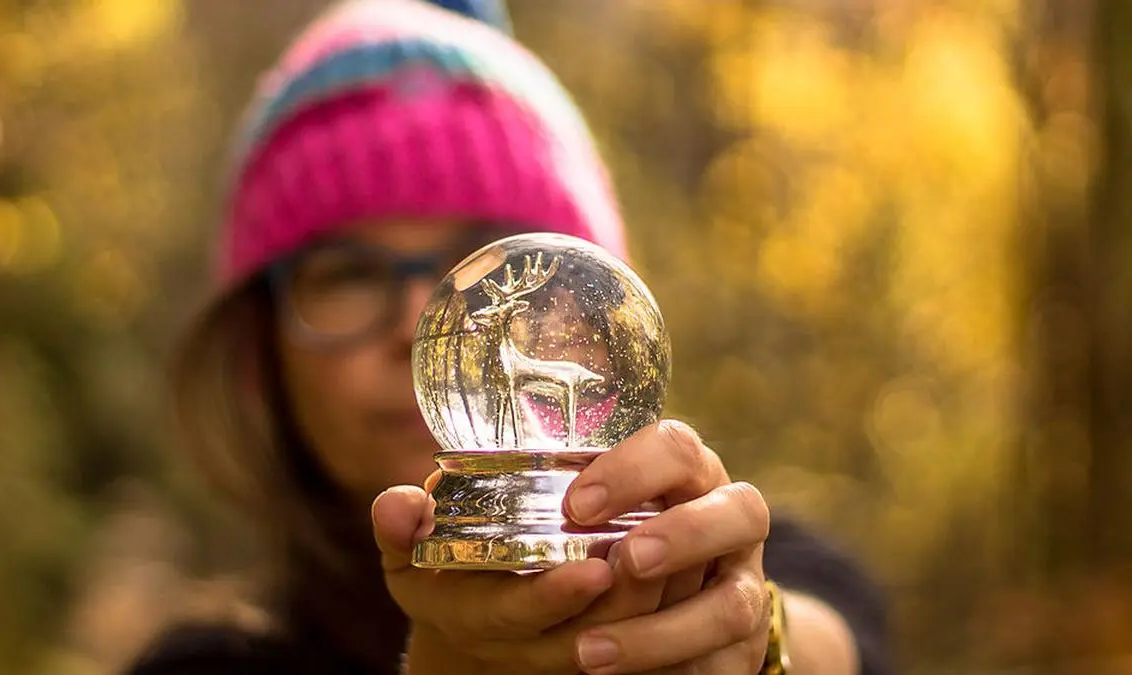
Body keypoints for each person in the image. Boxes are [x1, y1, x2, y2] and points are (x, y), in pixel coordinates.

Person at [127, 0, 891, 673]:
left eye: (485, 269)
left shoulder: (740, 558)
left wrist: (752, 637)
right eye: (345, 274)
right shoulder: (210, 663)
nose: (419, 325)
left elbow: (837, 634)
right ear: (263, 350)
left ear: (598, 318)